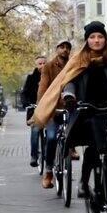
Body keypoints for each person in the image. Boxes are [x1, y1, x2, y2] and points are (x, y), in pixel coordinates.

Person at [28, 21, 107, 196]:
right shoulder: (79, 60)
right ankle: (83, 183)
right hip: (88, 109)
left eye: (100, 37)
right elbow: (70, 82)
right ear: (87, 40)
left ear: (105, 39)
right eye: (92, 37)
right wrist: (69, 96)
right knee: (93, 148)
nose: (96, 40)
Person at [36, 40, 72, 188]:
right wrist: (43, 107)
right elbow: (42, 88)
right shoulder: (49, 67)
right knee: (51, 138)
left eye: (67, 48)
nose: (65, 50)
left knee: (76, 131)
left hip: (69, 107)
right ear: (56, 49)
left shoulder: (73, 65)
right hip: (52, 109)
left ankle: (71, 149)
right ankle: (49, 171)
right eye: (62, 47)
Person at [21, 55, 46, 167]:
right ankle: (34, 156)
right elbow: (24, 93)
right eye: (40, 63)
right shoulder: (31, 78)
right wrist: (26, 103)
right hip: (34, 110)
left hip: (48, 109)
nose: (42, 65)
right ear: (36, 65)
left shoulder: (51, 76)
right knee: (35, 132)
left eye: (44, 63)